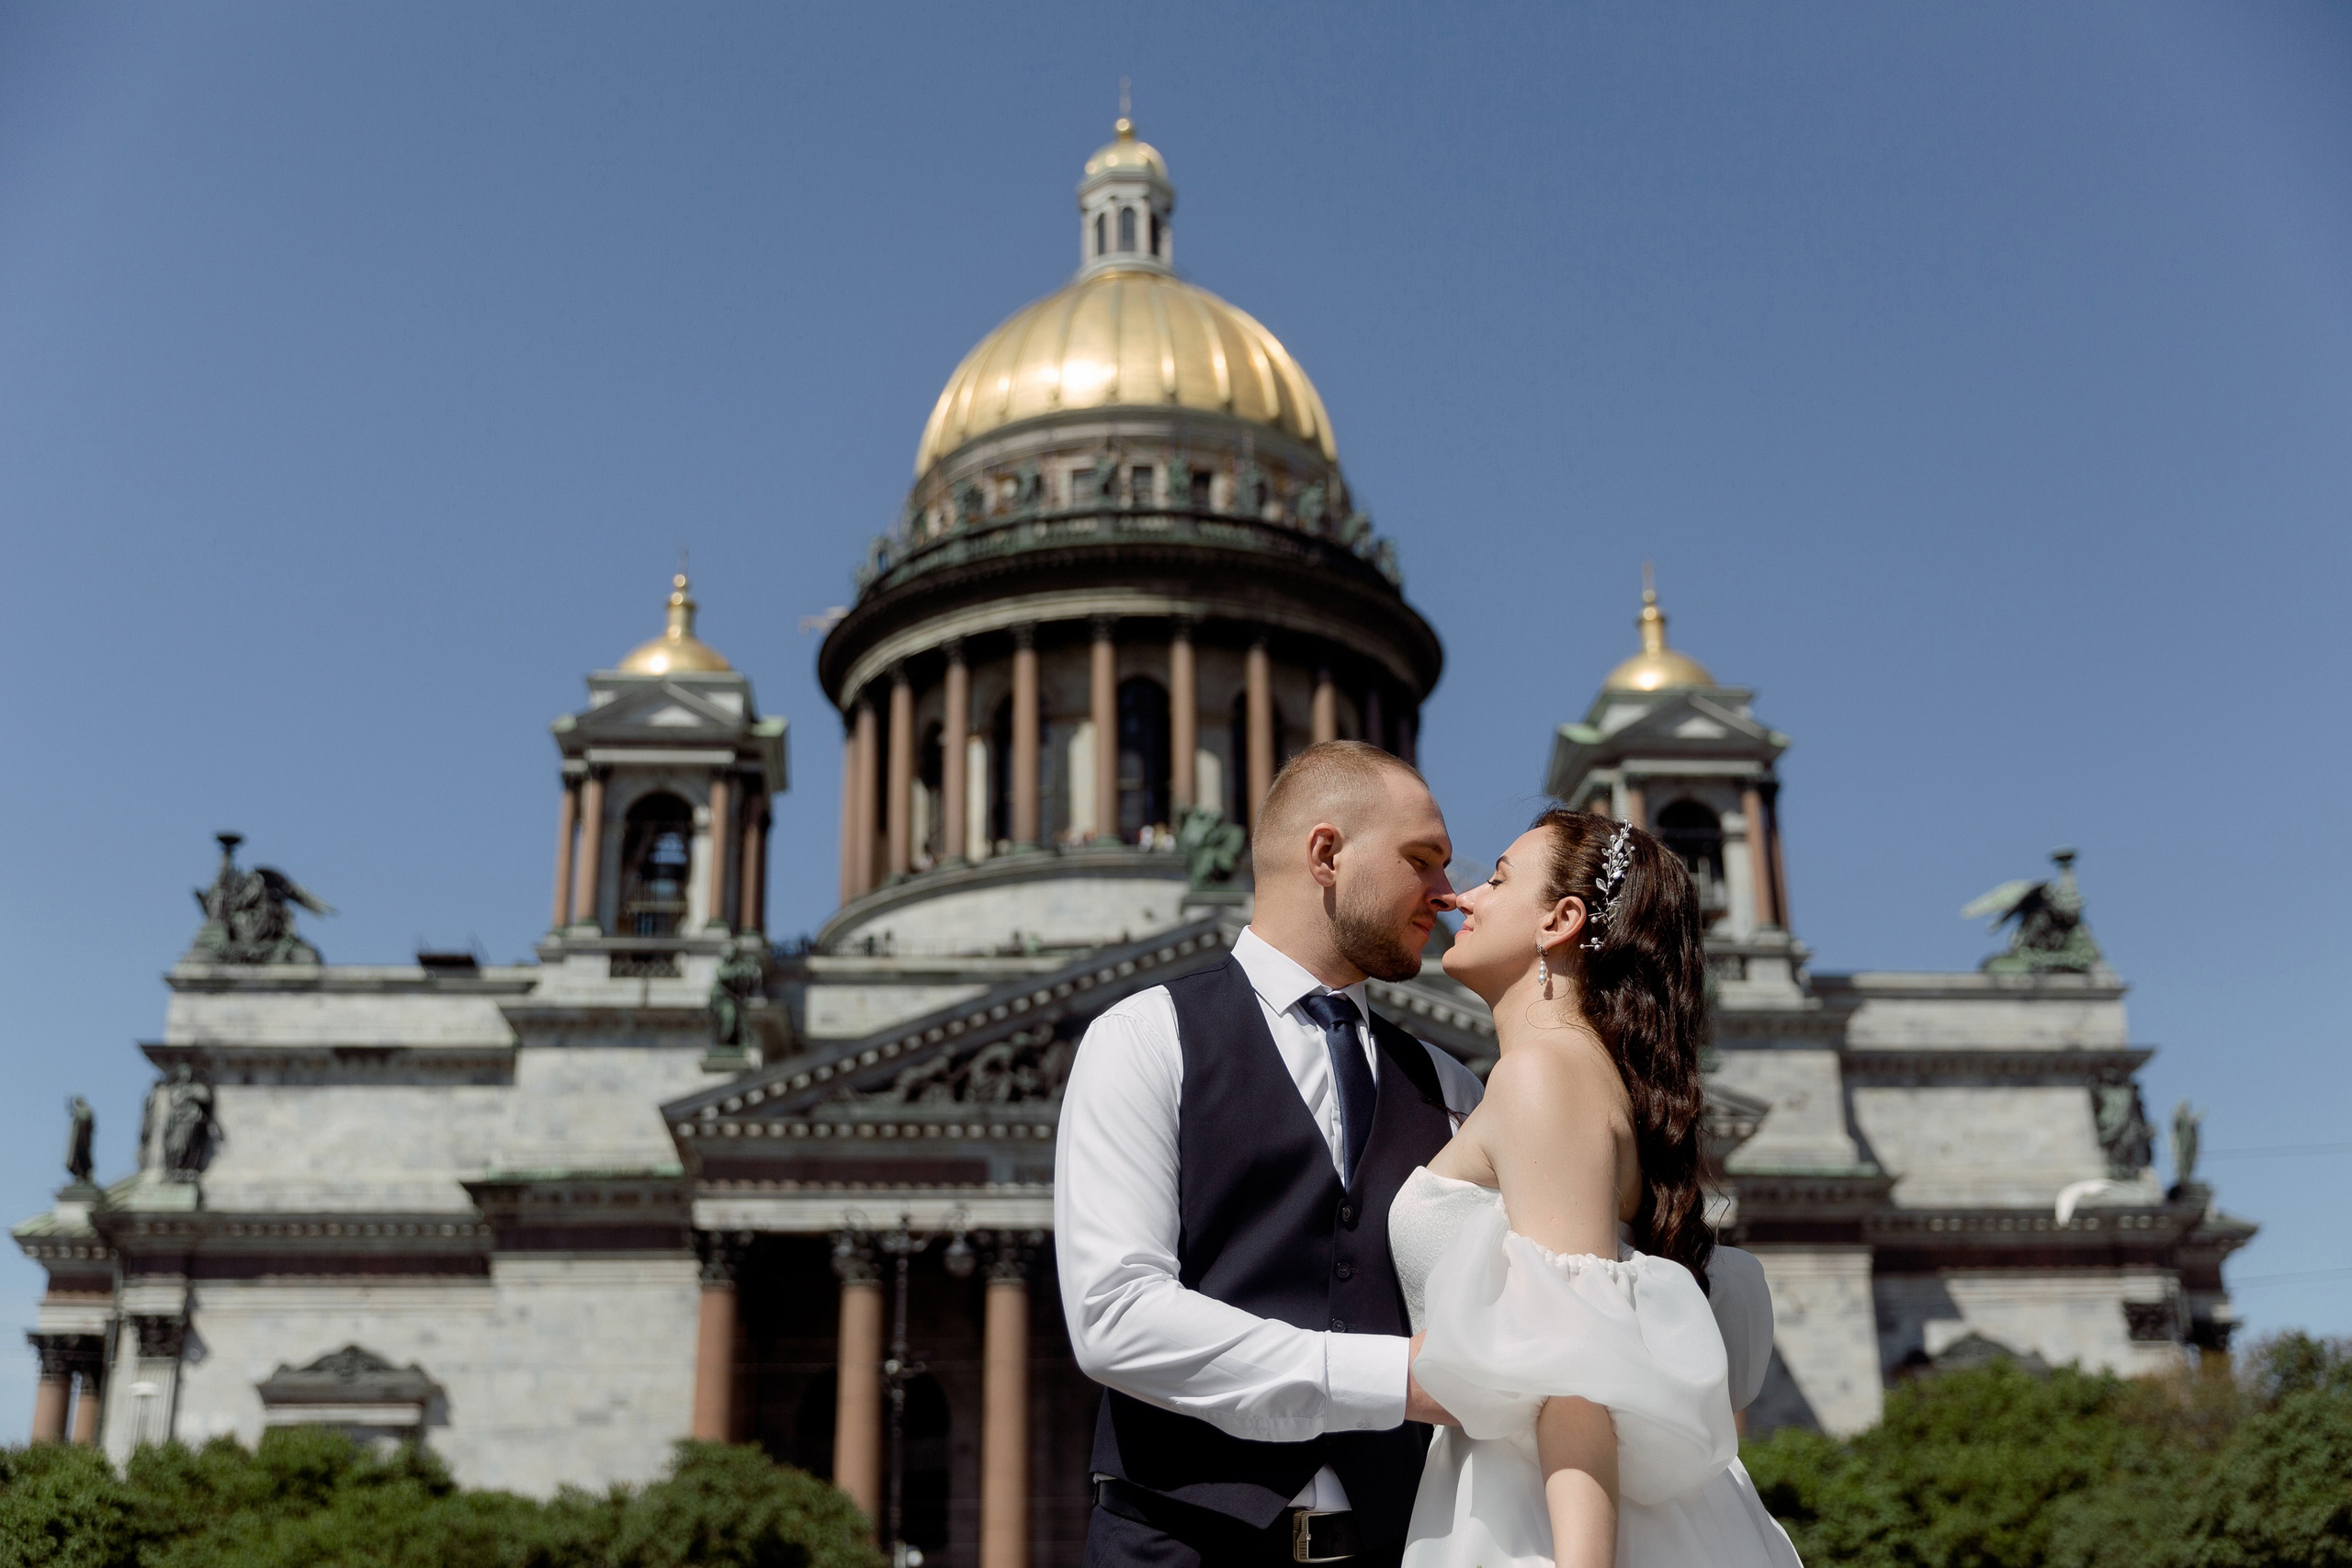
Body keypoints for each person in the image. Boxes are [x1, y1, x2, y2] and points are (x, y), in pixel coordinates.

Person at [1056, 743, 1777, 1565]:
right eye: (1421, 860)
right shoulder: (1143, 1038)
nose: (1448, 893)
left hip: (1397, 1541)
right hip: (1178, 1546)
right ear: (1326, 854)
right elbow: (1114, 1317)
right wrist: (1401, 1377)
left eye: (1473, 872)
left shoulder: (1460, 1088)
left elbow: (1575, 1343)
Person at [1396, 810, 1800, 1567]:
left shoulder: (1542, 1072)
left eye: (1498, 877)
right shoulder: (1574, 1071)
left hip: (1537, 1519)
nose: (1463, 896)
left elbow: (1575, 1370)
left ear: (1562, 919)